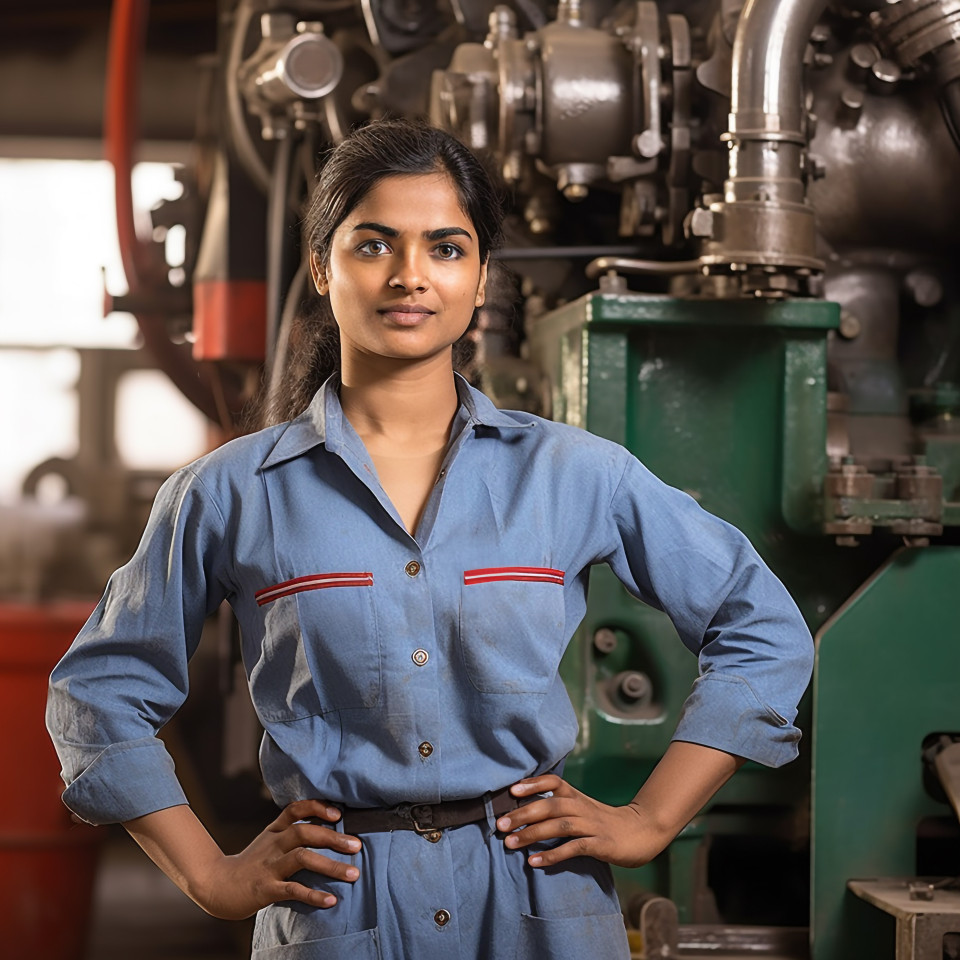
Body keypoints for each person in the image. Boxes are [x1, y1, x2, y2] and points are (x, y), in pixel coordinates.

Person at [47, 119, 814, 960]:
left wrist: (650, 818)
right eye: (373, 244)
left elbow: (762, 631)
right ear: (320, 267)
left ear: (482, 276)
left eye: (446, 248)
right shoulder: (229, 492)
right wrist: (210, 876)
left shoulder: (575, 475)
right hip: (336, 912)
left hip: (542, 905)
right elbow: (100, 691)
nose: (410, 276)